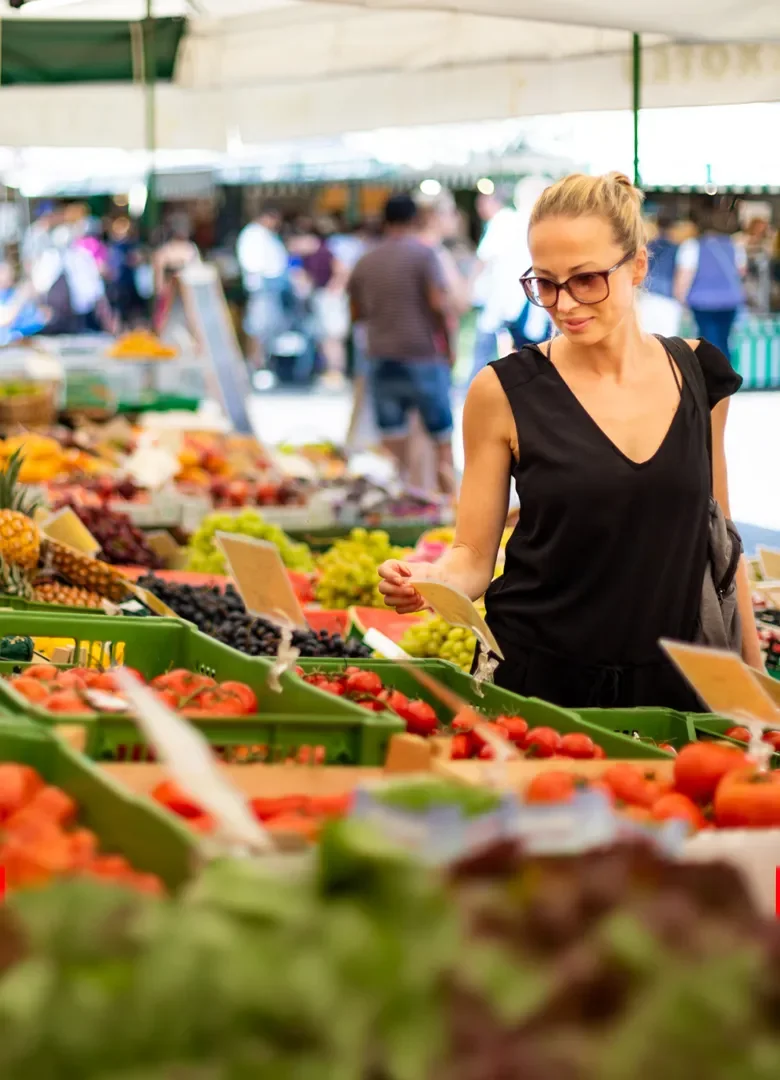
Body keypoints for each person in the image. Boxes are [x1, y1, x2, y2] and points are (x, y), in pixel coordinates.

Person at [378, 171, 762, 711]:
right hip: (538, 680)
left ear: (638, 266)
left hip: (674, 683)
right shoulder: (503, 390)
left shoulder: (700, 374)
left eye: (586, 279)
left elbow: (720, 536)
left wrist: (754, 675)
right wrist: (430, 581)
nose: (564, 304)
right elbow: (472, 556)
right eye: (545, 282)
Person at [348, 193, 454, 494]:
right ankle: (451, 505)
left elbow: (356, 313)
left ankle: (396, 504)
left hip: (381, 356)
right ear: (414, 219)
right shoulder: (424, 255)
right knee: (441, 437)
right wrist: (449, 346)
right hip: (422, 355)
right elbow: (438, 304)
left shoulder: (366, 260)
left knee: (392, 442)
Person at [470, 184, 537, 381]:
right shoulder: (525, 223)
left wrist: (470, 288)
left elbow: (483, 258)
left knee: (486, 355)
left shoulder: (504, 221)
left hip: (503, 302)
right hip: (518, 303)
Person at [674, 209, 746, 361]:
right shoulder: (735, 246)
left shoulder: (692, 246)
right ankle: (726, 377)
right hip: (730, 302)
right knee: (724, 340)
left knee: (708, 342)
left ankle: (712, 380)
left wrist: (680, 298)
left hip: (703, 302)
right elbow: (741, 272)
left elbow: (684, 277)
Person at [236, 203, 289, 381]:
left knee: (269, 329)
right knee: (257, 328)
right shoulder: (252, 234)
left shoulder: (268, 235)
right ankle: (255, 366)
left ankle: (265, 366)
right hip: (261, 288)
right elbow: (251, 263)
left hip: (272, 289)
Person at [152, 214, 200, 343]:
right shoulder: (190, 250)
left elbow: (158, 284)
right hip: (179, 296)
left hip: (179, 296)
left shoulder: (164, 251)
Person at [638, 209, 682, 336]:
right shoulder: (678, 248)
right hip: (669, 298)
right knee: (668, 342)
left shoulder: (648, 246)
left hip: (647, 295)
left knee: (647, 339)